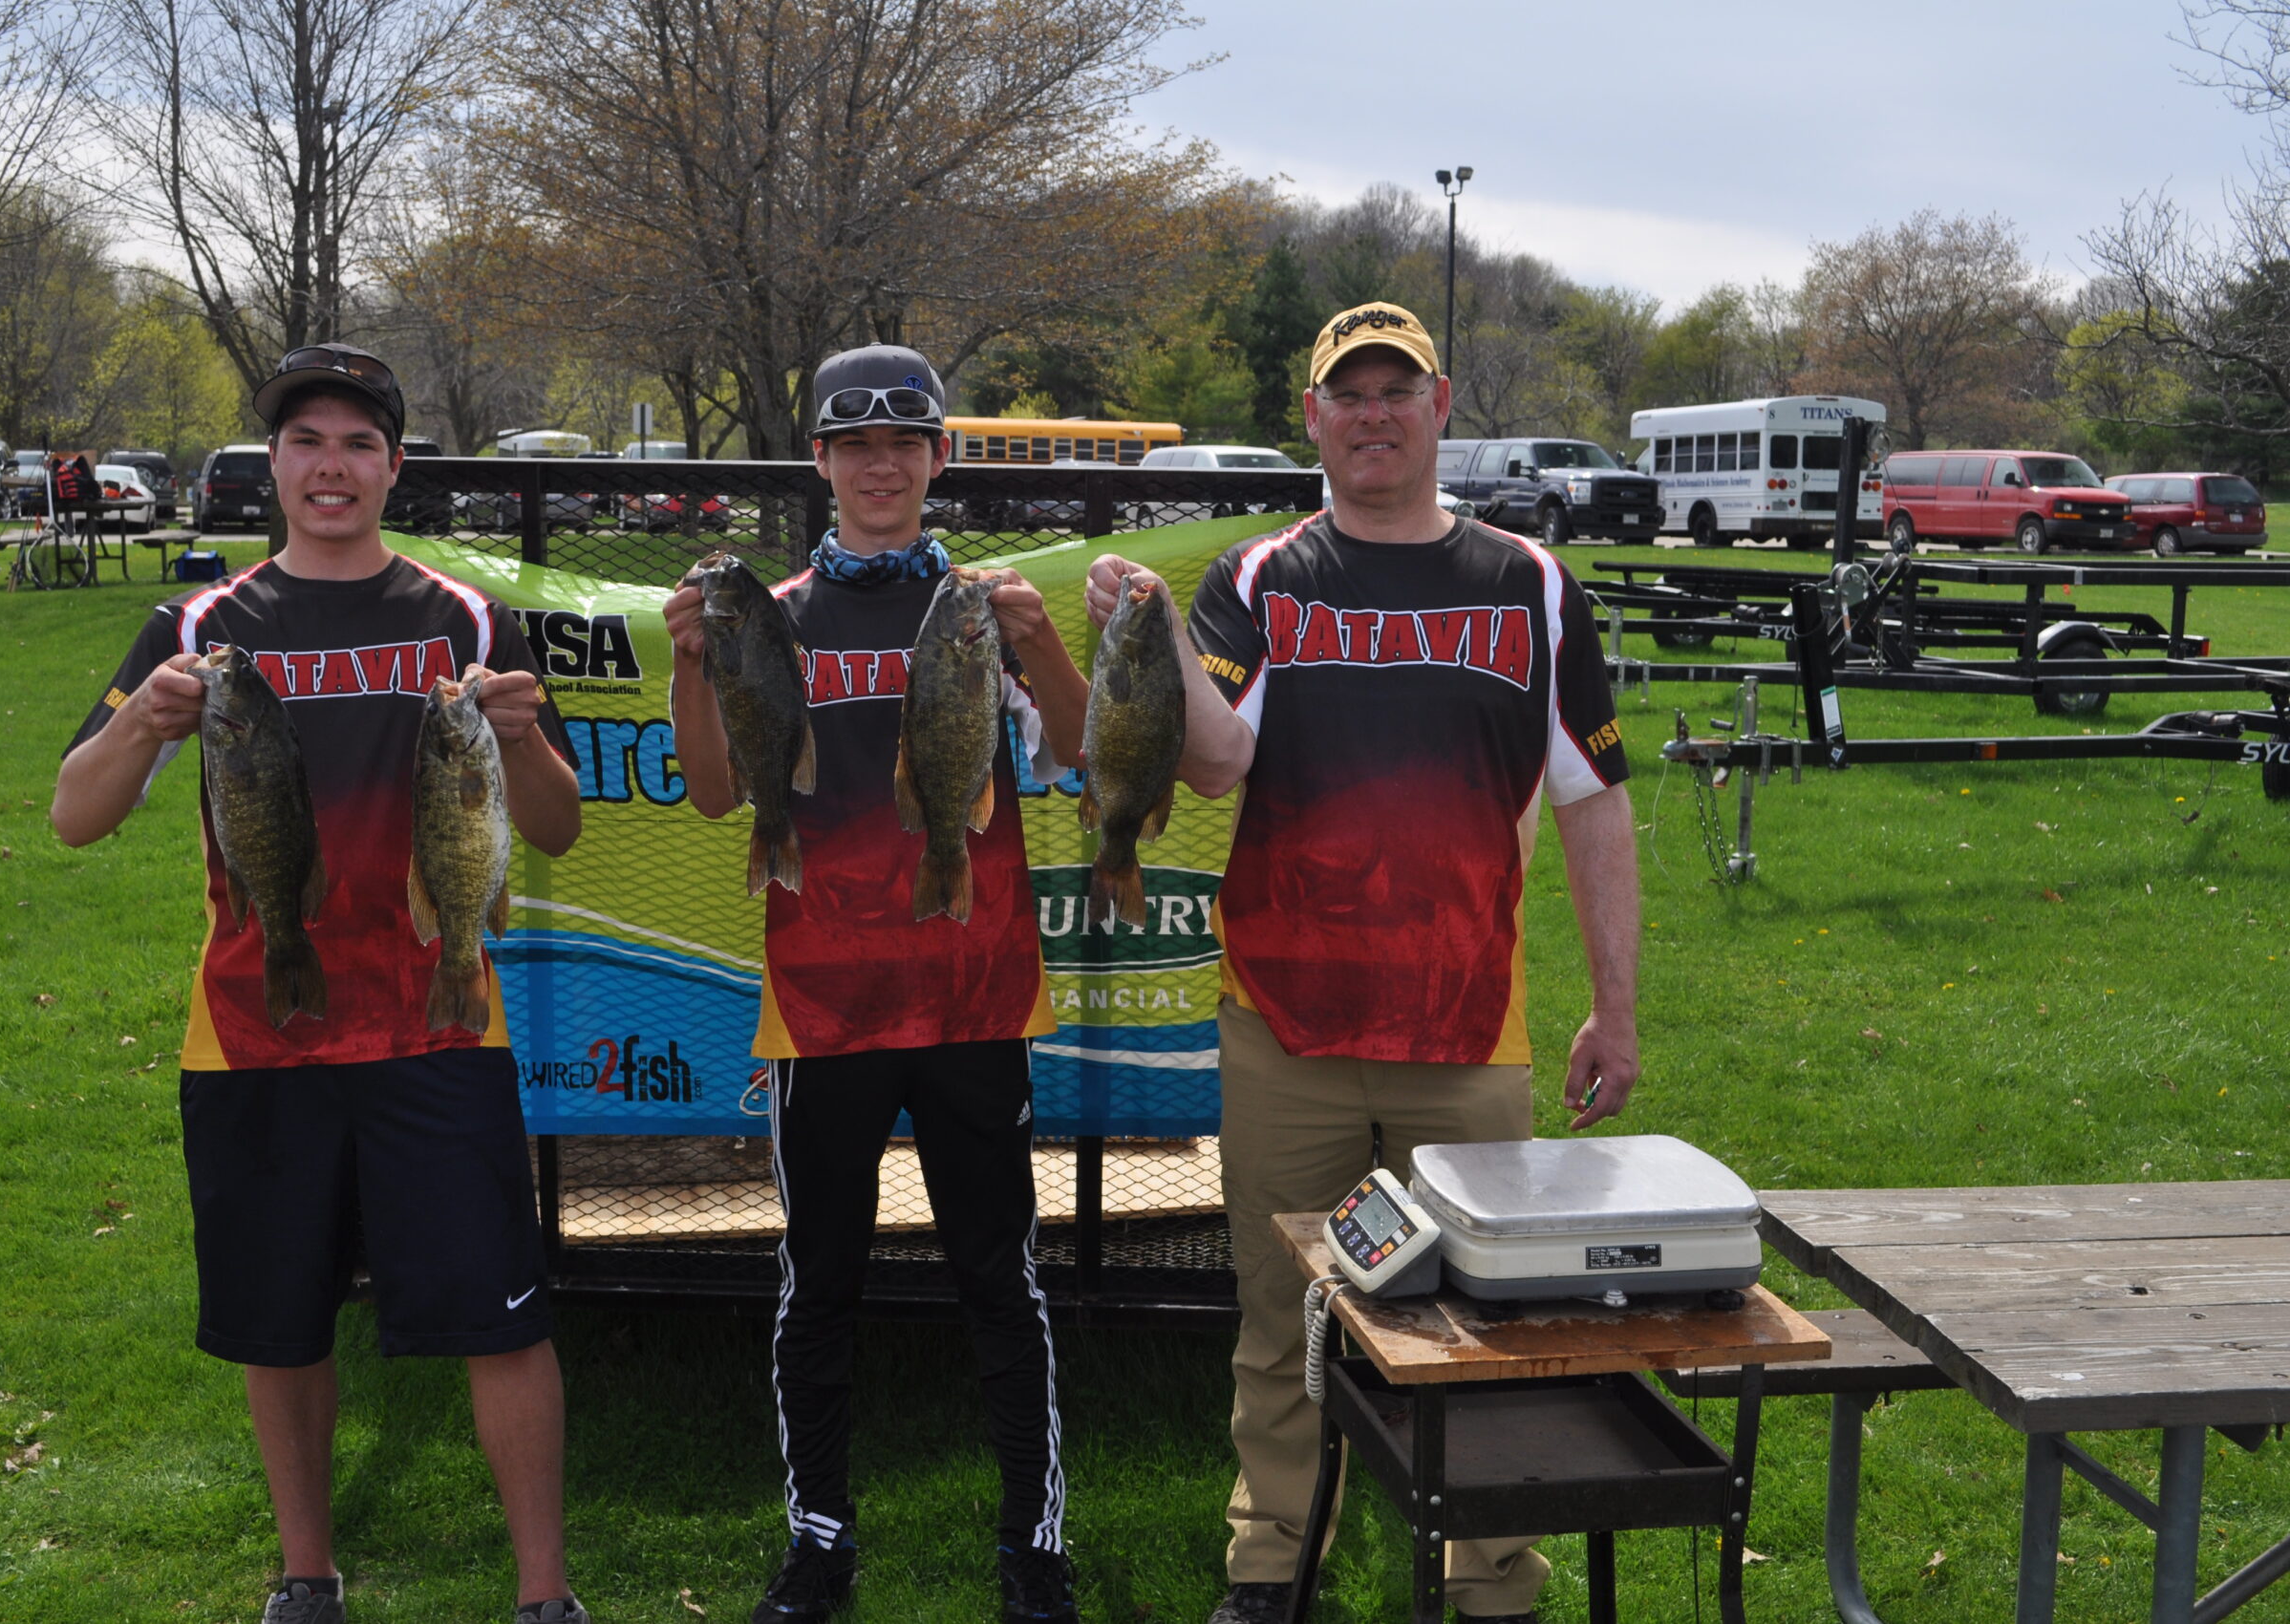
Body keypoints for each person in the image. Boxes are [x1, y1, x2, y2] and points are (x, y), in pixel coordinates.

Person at [1081, 302, 1641, 1624]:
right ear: (1315, 417)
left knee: (1486, 1317)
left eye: (1399, 390)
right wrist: (1157, 632)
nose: (1375, 414)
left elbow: (1595, 801)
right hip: (1288, 1022)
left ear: (1442, 408)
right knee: (1286, 1313)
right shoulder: (1268, 577)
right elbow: (1214, 760)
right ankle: (1275, 1555)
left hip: (1465, 1027)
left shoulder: (1530, 584)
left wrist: (1615, 1012)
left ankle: (1490, 1569)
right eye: (1350, 393)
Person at [50, 344, 591, 1624]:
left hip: (436, 1024)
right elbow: (76, 817)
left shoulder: (460, 618)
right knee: (279, 1322)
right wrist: (141, 723)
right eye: (307, 441)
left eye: (358, 442)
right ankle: (306, 1575)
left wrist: (517, 738)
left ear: (394, 466)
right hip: (255, 1031)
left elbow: (558, 829)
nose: (331, 466)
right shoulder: (199, 626)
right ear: (273, 467)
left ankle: (544, 1594)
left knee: (502, 1320)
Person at [662, 345, 1091, 1624]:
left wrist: (1047, 647)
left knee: (998, 1278)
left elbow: (1073, 754)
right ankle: (818, 1542)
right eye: (856, 445)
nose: (882, 465)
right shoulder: (769, 611)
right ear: (822, 464)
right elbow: (713, 792)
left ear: (939, 459)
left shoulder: (983, 607)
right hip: (825, 1011)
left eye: (905, 442)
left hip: (974, 1004)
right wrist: (693, 662)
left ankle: (1033, 1543)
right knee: (823, 1280)